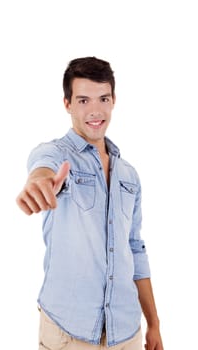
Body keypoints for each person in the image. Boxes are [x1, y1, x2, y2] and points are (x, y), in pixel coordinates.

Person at [16, 57, 164, 350]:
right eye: (83, 100)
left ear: (113, 101)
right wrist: (40, 179)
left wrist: (154, 324)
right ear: (67, 104)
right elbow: (43, 162)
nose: (95, 110)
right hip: (70, 334)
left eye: (103, 98)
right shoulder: (58, 154)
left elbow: (135, 249)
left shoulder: (129, 175)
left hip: (126, 334)